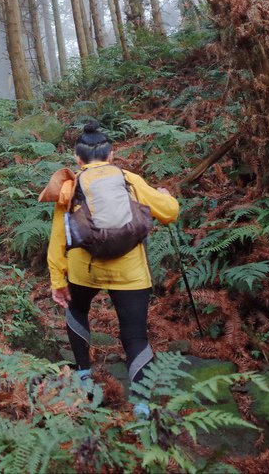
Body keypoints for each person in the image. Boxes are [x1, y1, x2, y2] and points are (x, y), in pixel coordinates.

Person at [45, 122, 179, 418]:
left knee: (76, 310)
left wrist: (58, 280)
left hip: (85, 270)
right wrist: (165, 195)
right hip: (130, 272)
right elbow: (169, 213)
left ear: (77, 159)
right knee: (135, 336)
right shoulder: (129, 179)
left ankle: (82, 377)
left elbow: (58, 238)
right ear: (111, 154)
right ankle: (142, 406)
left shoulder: (71, 186)